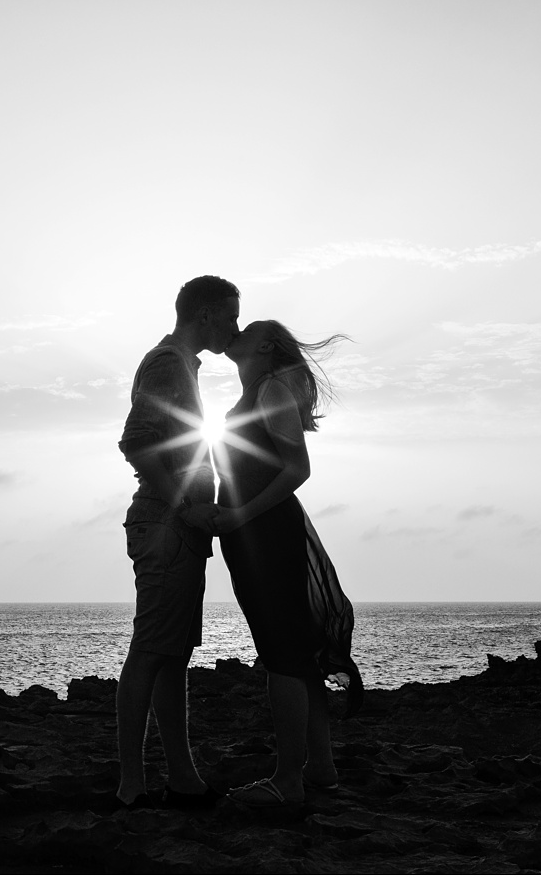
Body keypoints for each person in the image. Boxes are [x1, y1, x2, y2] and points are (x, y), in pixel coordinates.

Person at [209, 319, 361, 807]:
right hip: (258, 531)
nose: (235, 330)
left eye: (245, 327)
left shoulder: (271, 388)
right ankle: (320, 768)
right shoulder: (261, 388)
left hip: (264, 532)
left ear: (266, 344)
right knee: (294, 652)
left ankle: (288, 782)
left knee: (282, 655)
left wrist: (238, 515)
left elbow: (298, 468)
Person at [113, 275, 240, 809]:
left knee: (172, 654)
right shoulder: (167, 363)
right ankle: (131, 785)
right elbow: (136, 442)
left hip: (177, 528)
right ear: (207, 313)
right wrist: (184, 504)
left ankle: (182, 776)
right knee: (151, 651)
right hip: (166, 524)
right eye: (230, 315)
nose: (234, 327)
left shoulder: (182, 366)